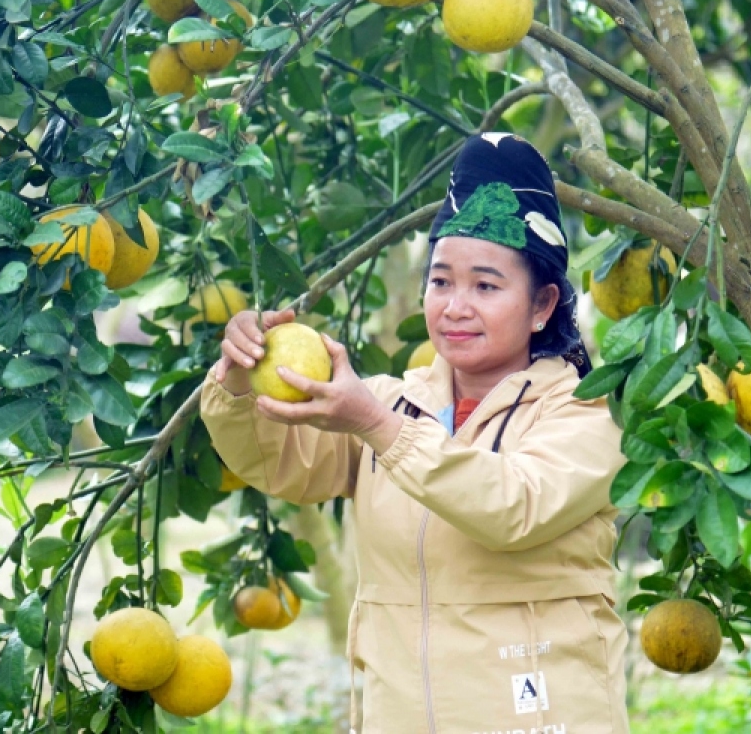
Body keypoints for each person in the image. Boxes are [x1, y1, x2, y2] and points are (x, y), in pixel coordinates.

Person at [199, 133, 630, 734]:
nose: (454, 306)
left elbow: (513, 506)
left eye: (485, 286)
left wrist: (378, 427)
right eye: (441, 281)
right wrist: (241, 381)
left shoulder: (585, 411)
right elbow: (279, 463)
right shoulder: (392, 402)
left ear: (542, 304)